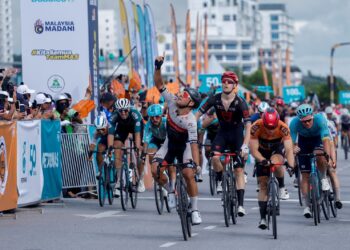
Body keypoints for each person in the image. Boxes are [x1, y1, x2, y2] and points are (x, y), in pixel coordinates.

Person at [152, 55, 202, 225]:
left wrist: (196, 164)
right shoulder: (172, 101)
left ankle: (194, 210)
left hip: (185, 148)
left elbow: (194, 145)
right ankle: (170, 190)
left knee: (188, 174)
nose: (180, 94)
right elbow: (159, 84)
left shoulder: (191, 121)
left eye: (185, 94)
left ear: (191, 104)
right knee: (154, 170)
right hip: (169, 144)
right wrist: (158, 67)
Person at [196, 71, 251, 217]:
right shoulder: (214, 99)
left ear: (235, 85)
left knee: (238, 170)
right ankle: (221, 180)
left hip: (237, 134)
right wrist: (189, 123)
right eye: (224, 81)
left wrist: (245, 145)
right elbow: (199, 113)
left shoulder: (240, 102)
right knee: (214, 157)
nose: (226, 84)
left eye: (229, 82)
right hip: (223, 133)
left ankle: (240, 205)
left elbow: (248, 125)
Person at [249, 108, 295, 229]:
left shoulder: (283, 127)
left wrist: (291, 165)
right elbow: (253, 149)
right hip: (261, 152)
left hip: (276, 149)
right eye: (268, 127)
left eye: (273, 127)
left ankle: (281, 187)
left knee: (276, 162)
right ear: (263, 122)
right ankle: (263, 218)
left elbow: (289, 149)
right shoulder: (256, 126)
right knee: (263, 184)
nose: (270, 130)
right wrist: (261, 160)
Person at [289, 104, 335, 218]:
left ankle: (323, 177)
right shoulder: (294, 123)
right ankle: (307, 206)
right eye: (304, 122)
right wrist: (293, 148)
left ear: (312, 117)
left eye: (309, 120)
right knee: (304, 175)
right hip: (303, 141)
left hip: (317, 139)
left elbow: (326, 140)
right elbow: (290, 142)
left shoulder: (320, 119)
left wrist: (327, 156)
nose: (307, 123)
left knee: (320, 156)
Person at [107, 98, 143, 196]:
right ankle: (119, 180)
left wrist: (137, 146)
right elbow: (110, 133)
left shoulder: (135, 114)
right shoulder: (114, 116)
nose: (123, 113)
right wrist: (110, 147)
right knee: (116, 147)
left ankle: (140, 179)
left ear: (129, 109)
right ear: (117, 110)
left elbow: (137, 134)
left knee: (139, 152)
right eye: (120, 111)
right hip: (122, 129)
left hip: (136, 129)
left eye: (125, 110)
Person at [140, 104, 167, 193]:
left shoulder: (166, 122)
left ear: (161, 115)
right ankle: (156, 171)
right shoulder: (148, 125)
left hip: (167, 140)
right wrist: (143, 155)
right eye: (152, 117)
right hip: (155, 140)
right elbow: (146, 141)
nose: (154, 119)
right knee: (151, 153)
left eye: (157, 117)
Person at [89, 115, 110, 180]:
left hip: (113, 137)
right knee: (99, 149)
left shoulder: (111, 127)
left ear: (106, 126)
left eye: (103, 129)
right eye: (99, 130)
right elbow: (92, 145)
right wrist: (90, 155)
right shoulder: (96, 133)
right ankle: (100, 170)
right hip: (104, 140)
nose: (101, 132)